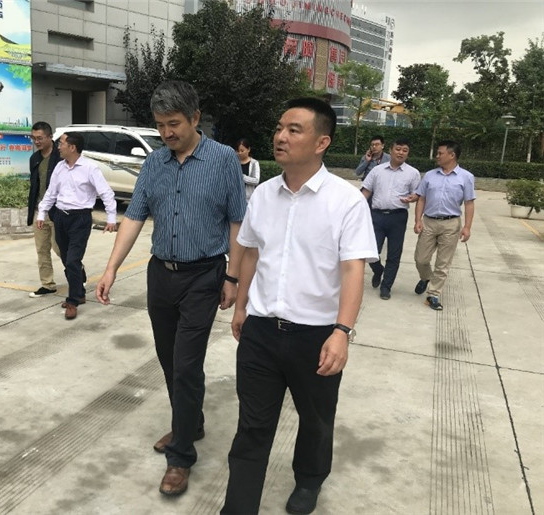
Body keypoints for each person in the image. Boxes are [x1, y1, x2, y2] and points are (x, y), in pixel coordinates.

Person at [221, 98, 378, 515]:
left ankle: (309, 480)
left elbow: (353, 270)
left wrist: (342, 332)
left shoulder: (346, 201)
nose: (280, 136)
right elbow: (251, 252)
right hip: (260, 332)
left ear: (322, 142)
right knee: (252, 426)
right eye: (279, 128)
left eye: (294, 130)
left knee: (316, 419)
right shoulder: (263, 195)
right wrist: (241, 307)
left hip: (317, 336)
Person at [96, 81, 246, 497]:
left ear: (195, 118)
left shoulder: (223, 160)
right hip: (160, 275)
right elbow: (134, 217)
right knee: (168, 359)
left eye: (174, 124)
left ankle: (181, 456)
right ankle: (190, 424)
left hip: (204, 275)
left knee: (186, 365)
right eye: (160, 125)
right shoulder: (154, 163)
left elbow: (238, 221)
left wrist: (233, 277)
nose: (166, 133)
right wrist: (110, 268)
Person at [37, 131, 117, 320]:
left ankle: (73, 301)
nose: (58, 147)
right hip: (60, 217)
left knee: (73, 260)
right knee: (67, 259)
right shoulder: (59, 167)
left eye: (61, 143)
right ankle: (79, 291)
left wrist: (111, 218)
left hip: (80, 219)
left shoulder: (90, 168)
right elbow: (51, 192)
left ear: (72, 147)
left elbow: (106, 193)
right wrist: (42, 213)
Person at [413, 140, 475, 311]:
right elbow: (421, 198)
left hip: (451, 224)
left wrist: (467, 227)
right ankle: (426, 277)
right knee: (421, 259)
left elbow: (469, 203)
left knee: (443, 262)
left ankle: (433, 294)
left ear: (452, 155)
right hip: (429, 222)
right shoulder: (429, 175)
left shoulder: (466, 177)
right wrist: (418, 220)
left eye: (440, 153)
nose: (437, 156)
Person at [360, 138, 421, 300]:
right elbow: (366, 191)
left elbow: (417, 194)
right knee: (371, 250)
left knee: (394, 254)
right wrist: (355, 208)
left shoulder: (413, 173)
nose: (401, 153)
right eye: (398, 149)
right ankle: (378, 269)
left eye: (405, 150)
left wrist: (413, 198)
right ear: (391, 150)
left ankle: (386, 286)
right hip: (377, 216)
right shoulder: (377, 170)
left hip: (398, 218)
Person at [27, 121, 62, 298]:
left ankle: (77, 269)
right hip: (39, 210)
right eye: (34, 138)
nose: (36, 142)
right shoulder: (34, 158)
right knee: (42, 249)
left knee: (59, 247)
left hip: (58, 210)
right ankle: (47, 284)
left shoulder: (61, 157)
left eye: (40, 138)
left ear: (50, 137)